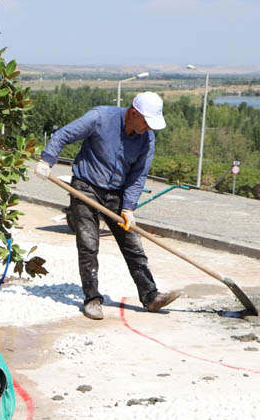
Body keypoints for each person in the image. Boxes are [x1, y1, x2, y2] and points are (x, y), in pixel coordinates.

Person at [34, 91, 180, 320]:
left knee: (133, 244)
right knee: (89, 244)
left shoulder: (147, 139)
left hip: (118, 193)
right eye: (147, 122)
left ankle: (151, 297)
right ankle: (92, 299)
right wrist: (47, 160)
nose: (149, 128)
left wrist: (129, 207)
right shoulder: (100, 118)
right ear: (133, 113)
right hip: (86, 188)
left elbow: (138, 175)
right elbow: (63, 135)